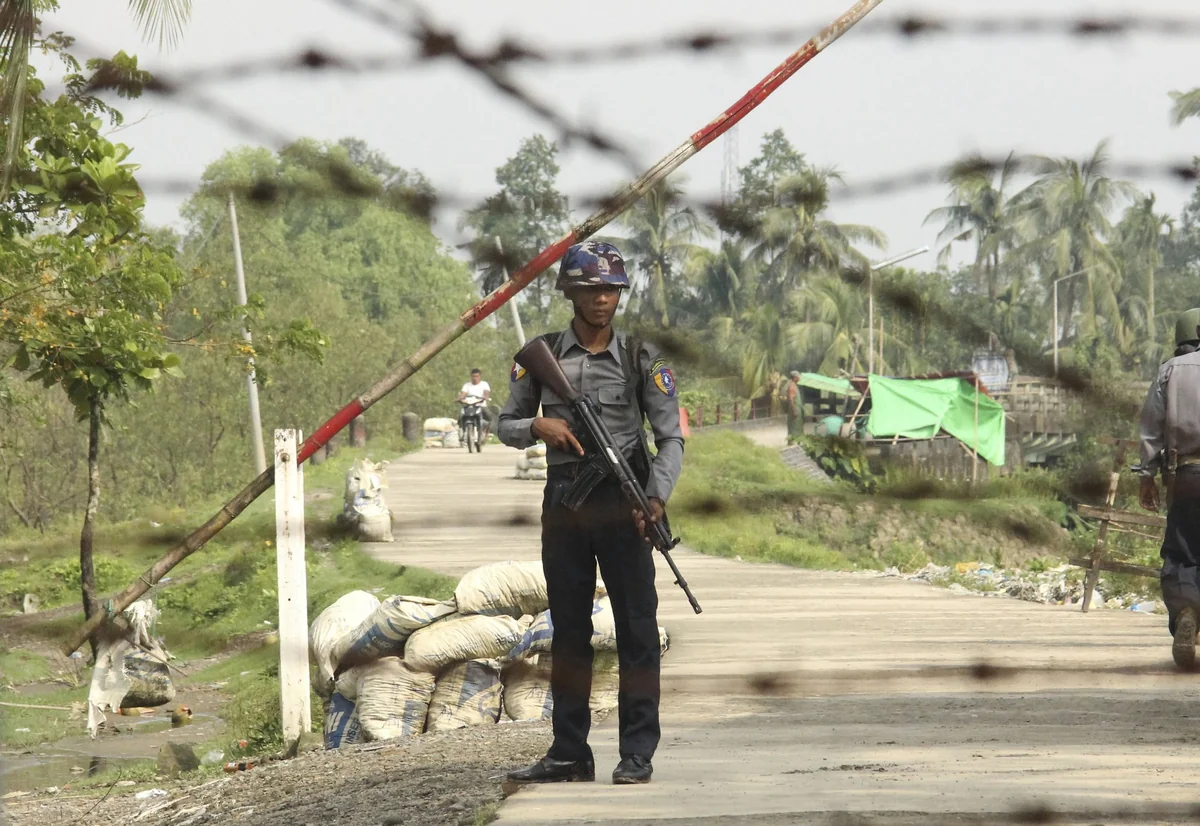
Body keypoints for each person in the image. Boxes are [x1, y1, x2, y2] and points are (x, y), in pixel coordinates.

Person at [498, 240, 684, 786]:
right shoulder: (542, 356)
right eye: (591, 289)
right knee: (570, 629)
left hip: (626, 503)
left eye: (611, 289)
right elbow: (505, 424)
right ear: (571, 293)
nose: (602, 299)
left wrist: (656, 498)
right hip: (565, 503)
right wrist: (538, 426)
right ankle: (569, 752)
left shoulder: (641, 358)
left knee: (636, 629)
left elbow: (670, 438)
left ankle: (636, 752)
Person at [1138, 307, 1200, 670]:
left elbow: (1151, 428)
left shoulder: (1170, 371)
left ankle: (1187, 612)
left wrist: (1146, 476)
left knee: (1181, 551)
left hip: (1185, 475)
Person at [457, 368, 492, 440]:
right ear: (471, 376)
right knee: (460, 417)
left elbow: (486, 393)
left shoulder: (484, 384)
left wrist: (485, 397)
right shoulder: (467, 385)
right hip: (469, 406)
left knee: (489, 418)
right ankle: (462, 432)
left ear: (480, 376)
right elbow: (463, 394)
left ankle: (486, 433)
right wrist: (459, 398)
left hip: (481, 406)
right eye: (473, 376)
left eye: (477, 376)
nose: (475, 378)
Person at [785, 370, 803, 443]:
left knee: (797, 427)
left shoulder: (795, 385)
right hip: (794, 409)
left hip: (797, 409)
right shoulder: (792, 386)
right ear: (795, 377)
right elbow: (791, 399)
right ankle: (791, 443)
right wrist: (794, 410)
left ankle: (797, 442)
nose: (799, 378)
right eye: (798, 376)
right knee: (793, 427)